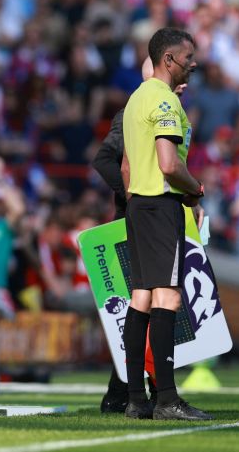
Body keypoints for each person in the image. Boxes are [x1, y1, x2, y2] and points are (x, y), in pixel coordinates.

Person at [121, 27, 212, 421]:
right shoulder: (163, 102)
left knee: (141, 297)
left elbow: (126, 165)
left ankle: (136, 399)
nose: (194, 62)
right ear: (169, 59)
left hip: (139, 204)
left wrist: (136, 200)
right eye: (188, 56)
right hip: (161, 203)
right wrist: (196, 191)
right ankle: (168, 399)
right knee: (168, 298)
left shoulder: (137, 97)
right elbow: (169, 164)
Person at [93, 57, 184, 414]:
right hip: (144, 215)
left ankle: (127, 395)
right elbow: (105, 159)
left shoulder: (158, 106)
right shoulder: (141, 108)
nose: (188, 76)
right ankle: (153, 394)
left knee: (143, 301)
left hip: (147, 213)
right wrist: (131, 193)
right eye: (184, 65)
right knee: (154, 300)